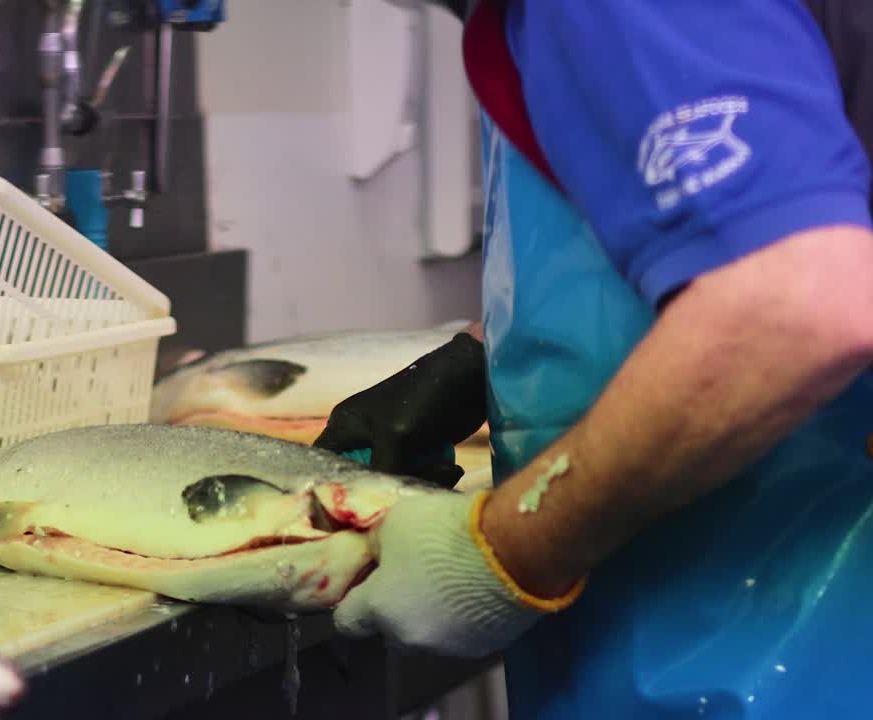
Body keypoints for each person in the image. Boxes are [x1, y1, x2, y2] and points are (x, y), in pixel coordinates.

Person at [312, 1, 873, 718]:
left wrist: (501, 551)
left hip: (775, 651)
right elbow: (738, 227)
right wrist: (475, 360)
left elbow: (798, 302)